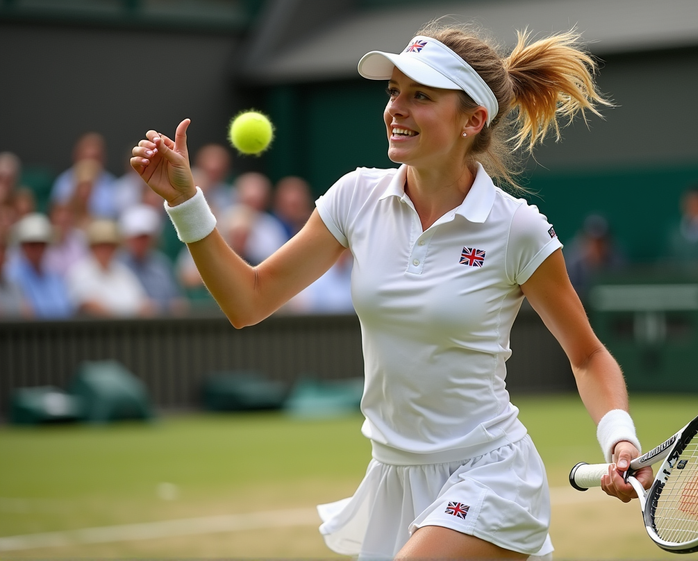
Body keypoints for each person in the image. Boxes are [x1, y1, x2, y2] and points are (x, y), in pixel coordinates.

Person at [130, 22, 651, 559]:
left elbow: (587, 355)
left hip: (491, 475)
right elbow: (249, 300)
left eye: (420, 96)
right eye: (394, 91)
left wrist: (619, 438)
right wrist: (186, 203)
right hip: (393, 480)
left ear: (472, 120)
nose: (395, 108)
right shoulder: (354, 196)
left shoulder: (517, 228)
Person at [66, 219, 155, 318]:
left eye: (110, 246)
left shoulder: (123, 272)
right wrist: (129, 313)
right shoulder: (79, 272)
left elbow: (144, 305)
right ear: (92, 247)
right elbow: (91, 306)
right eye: (101, 245)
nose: (106, 250)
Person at [118, 204, 186, 315]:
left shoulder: (162, 263)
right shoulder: (117, 264)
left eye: (145, 238)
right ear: (128, 238)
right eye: (138, 238)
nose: (142, 242)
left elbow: (176, 299)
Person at [5, 213, 74, 319]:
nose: (38, 249)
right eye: (32, 244)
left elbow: (66, 309)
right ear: (22, 246)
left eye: (41, 244)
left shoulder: (55, 276)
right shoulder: (12, 275)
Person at [49, 132, 121, 219]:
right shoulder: (63, 182)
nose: (89, 162)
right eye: (85, 156)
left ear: (103, 159)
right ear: (76, 156)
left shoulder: (113, 185)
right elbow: (57, 214)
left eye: (94, 158)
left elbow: (114, 216)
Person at [564, 213, 627, 300]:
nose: (596, 246)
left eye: (600, 241)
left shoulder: (616, 260)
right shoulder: (573, 263)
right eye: (592, 240)